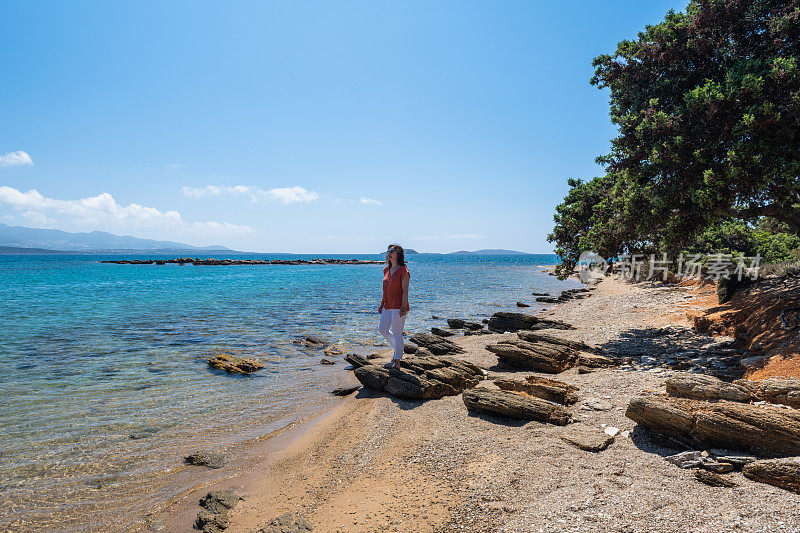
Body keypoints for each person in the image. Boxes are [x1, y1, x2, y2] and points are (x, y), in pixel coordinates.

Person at [378, 243, 410, 368]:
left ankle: (397, 361)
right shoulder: (386, 270)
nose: (389, 253)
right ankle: (398, 350)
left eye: (392, 251)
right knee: (382, 329)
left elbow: (405, 290)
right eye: (388, 251)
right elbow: (385, 289)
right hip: (387, 305)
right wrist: (381, 303)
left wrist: (403, 307)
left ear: (398, 254)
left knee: (397, 333)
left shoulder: (403, 270)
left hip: (398, 306)